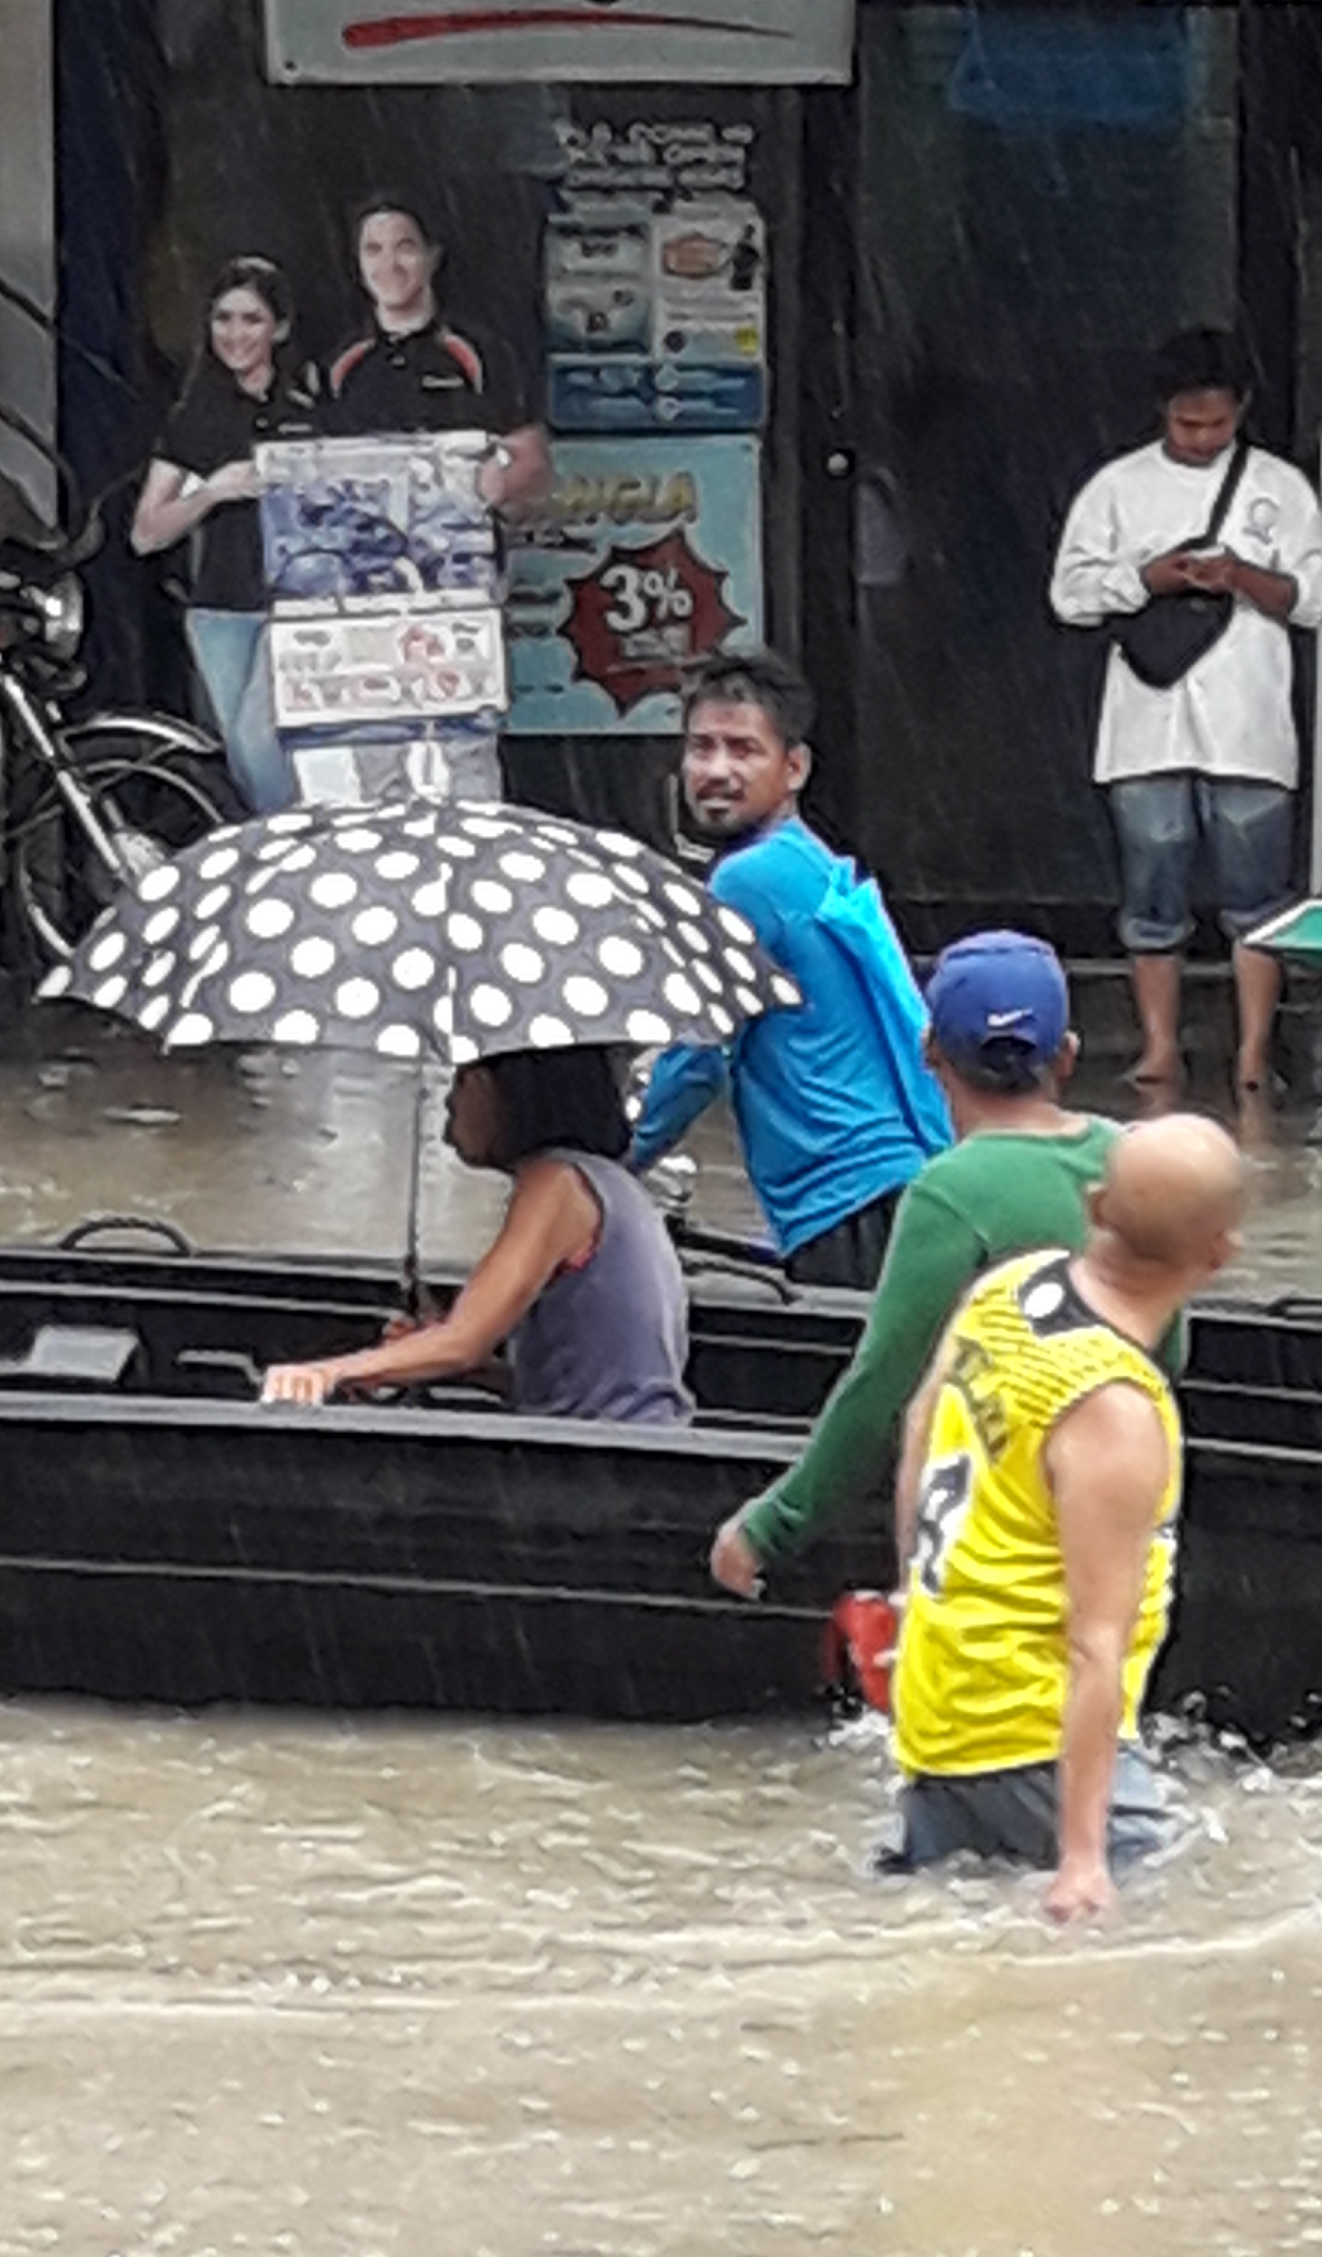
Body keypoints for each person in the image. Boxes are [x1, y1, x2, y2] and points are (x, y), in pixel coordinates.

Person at [707, 927, 1187, 1600]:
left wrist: (772, 1525)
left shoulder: (948, 1194)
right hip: (1121, 1515)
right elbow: (1170, 1348)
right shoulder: (1132, 1160)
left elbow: (883, 1387)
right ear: (1068, 1056)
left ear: (929, 1050)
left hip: (998, 1531)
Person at [888, 1114, 1246, 1922]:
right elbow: (1096, 1643)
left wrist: (914, 1593)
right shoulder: (1114, 1409)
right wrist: (1082, 1859)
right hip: (1032, 1737)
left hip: (939, 1708)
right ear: (1219, 1256)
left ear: (1092, 1206)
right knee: (1165, 1937)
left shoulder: (1007, 1290)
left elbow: (921, 1427)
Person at [1048, 326, 1322, 1100]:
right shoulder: (1118, 487)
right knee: (1151, 894)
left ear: (1240, 409)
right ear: (1163, 413)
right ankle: (1159, 1047)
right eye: (1187, 424)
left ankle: (1252, 1053)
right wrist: (1149, 579)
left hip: (1249, 722)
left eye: (1215, 423)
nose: (1203, 437)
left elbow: (1315, 601)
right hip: (1146, 721)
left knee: (1258, 900)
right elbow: (1069, 596)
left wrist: (1241, 574)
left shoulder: (1282, 488)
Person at [627, 648, 950, 1288]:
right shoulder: (806, 860)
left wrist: (613, 1161)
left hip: (846, 1195)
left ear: (794, 766)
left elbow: (699, 1053)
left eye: (743, 750)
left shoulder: (750, 879)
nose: (716, 770)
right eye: (701, 748)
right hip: (891, 1181)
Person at [257, 1046, 689, 1427]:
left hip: (604, 1458)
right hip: (626, 1441)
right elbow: (578, 1377)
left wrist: (326, 1374)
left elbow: (464, 1339)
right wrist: (480, 1372)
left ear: (507, 1093)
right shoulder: (609, 1183)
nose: (448, 1100)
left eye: (463, 1079)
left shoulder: (557, 1184)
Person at [130, 256, 323, 818]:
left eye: (251, 320)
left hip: (297, 603)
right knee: (236, 756)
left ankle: (283, 850)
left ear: (280, 328)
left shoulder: (311, 407)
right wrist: (212, 492)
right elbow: (145, 533)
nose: (235, 334)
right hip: (219, 606)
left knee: (263, 746)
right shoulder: (197, 416)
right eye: (223, 319)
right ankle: (269, 855)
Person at [325, 194, 554, 522]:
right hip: (364, 557)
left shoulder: (483, 355)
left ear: (432, 256)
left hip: (461, 557)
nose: (389, 265)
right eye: (373, 250)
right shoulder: (338, 366)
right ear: (358, 265)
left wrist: (501, 483)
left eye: (404, 248)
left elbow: (534, 465)